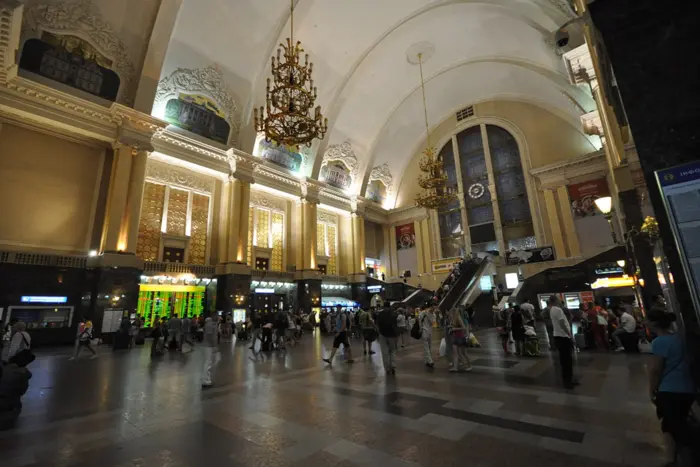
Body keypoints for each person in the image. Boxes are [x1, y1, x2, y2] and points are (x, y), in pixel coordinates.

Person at [647, 309, 697, 467]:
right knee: (673, 422)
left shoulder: (659, 342)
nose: (645, 323)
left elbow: (656, 369)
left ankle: (683, 458)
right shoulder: (679, 339)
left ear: (654, 324)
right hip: (688, 388)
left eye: (647, 320)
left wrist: (651, 389)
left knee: (672, 425)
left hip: (669, 389)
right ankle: (672, 457)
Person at [549, 295, 577, 389]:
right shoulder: (558, 310)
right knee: (567, 360)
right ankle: (568, 381)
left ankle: (567, 379)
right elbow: (562, 323)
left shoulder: (552, 309)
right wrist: (569, 335)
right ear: (556, 300)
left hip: (558, 336)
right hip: (563, 337)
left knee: (564, 360)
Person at [0, 349, 32, 430]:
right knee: (17, 404)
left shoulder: (4, 367)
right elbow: (22, 391)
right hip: (6, 404)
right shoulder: (22, 374)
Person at [447, 308, 471, 372]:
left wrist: (455, 329)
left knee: (464, 353)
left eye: (451, 313)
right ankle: (455, 367)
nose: (450, 315)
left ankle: (469, 365)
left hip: (461, 337)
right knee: (455, 353)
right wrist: (450, 327)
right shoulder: (453, 319)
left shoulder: (458, 318)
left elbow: (464, 328)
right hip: (455, 337)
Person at [376, 305, 399, 375]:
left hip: (383, 335)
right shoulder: (394, 314)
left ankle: (387, 368)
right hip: (392, 335)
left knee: (385, 352)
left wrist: (379, 332)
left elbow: (377, 324)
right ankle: (393, 366)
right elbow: (396, 325)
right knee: (392, 351)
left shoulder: (380, 314)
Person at [201, 315, 220, 388]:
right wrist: (214, 345)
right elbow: (211, 337)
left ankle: (206, 379)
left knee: (208, 362)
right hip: (209, 346)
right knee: (208, 363)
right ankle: (206, 381)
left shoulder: (209, 325)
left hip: (207, 345)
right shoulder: (211, 325)